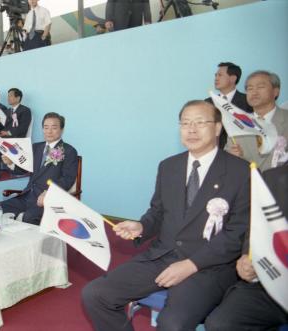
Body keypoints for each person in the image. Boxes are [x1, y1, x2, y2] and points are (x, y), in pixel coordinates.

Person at [82, 100, 250, 331]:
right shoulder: (169, 166)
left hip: (208, 266)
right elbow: (158, 212)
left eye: (200, 123)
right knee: (95, 294)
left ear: (218, 128)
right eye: (185, 123)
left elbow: (238, 233)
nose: (191, 129)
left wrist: (192, 264)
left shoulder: (241, 172)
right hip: (163, 255)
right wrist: (142, 226)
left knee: (172, 324)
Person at [204, 161, 288, 331]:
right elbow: (256, 227)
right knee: (220, 323)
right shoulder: (271, 177)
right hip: (270, 281)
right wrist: (247, 257)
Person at [0, 112, 78, 224]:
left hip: (47, 199)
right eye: (46, 127)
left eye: (54, 127)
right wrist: (11, 163)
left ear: (61, 129)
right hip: (27, 195)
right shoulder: (36, 147)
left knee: (29, 217)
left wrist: (49, 192)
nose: (49, 131)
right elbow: (23, 169)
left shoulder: (69, 151)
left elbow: (68, 179)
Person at [226, 70, 288, 171]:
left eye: (260, 87)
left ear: (276, 92)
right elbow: (227, 159)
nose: (254, 92)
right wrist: (231, 157)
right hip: (246, 183)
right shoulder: (237, 124)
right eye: (249, 88)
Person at [205, 62, 253, 149]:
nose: (216, 78)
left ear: (233, 78)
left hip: (240, 151)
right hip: (213, 151)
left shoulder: (247, 101)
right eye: (215, 75)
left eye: (220, 75)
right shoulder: (208, 102)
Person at [0, 88, 32, 180]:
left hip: (18, 138)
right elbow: (3, 126)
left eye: (10, 96)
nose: (8, 98)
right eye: (8, 96)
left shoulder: (25, 110)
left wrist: (8, 132)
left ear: (18, 98)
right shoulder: (7, 111)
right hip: (6, 138)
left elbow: (23, 128)